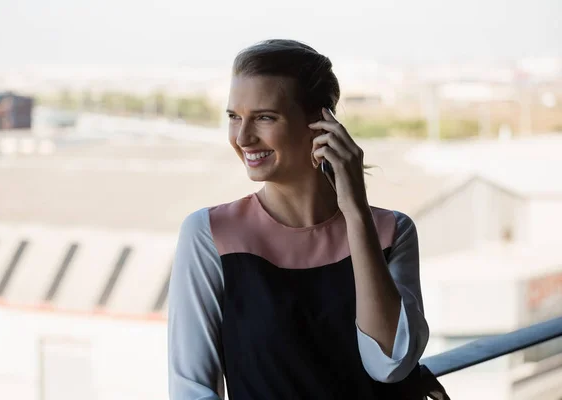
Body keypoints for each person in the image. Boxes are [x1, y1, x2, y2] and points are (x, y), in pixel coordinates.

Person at [167, 39, 430, 399]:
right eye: (233, 117)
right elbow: (191, 390)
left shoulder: (391, 232)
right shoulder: (210, 235)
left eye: (264, 117)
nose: (243, 137)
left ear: (322, 123)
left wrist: (356, 213)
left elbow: (391, 364)